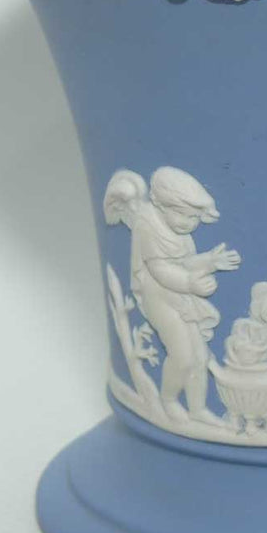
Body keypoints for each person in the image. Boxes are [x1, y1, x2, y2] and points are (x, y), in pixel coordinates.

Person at [104, 166, 241, 423]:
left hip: (179, 296)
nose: (189, 223)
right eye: (182, 214)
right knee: (182, 355)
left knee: (199, 356)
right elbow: (160, 269)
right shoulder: (148, 225)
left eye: (194, 218)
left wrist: (209, 262)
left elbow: (183, 263)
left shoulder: (180, 231)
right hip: (158, 298)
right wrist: (189, 283)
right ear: (159, 203)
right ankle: (168, 399)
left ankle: (197, 409)